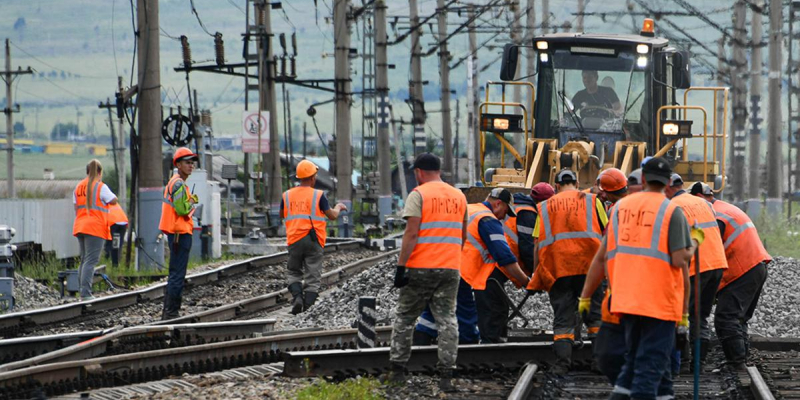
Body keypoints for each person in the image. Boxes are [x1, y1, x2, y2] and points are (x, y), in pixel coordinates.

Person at [605, 157, 701, 400]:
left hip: (626, 298)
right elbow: (680, 260)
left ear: (644, 179)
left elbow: (607, 252)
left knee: (632, 364)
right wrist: (695, 242)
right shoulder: (672, 211)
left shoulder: (621, 208)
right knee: (651, 366)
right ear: (668, 182)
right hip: (658, 302)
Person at [387, 153, 467, 392]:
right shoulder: (459, 196)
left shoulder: (418, 194)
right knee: (447, 320)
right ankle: (446, 375)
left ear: (419, 172)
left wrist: (401, 267)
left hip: (420, 267)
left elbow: (411, 233)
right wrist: (451, 259)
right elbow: (463, 236)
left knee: (405, 317)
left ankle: (398, 372)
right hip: (450, 268)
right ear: (438, 170)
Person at [528, 169, 607, 373]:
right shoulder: (592, 201)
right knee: (595, 315)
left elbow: (537, 245)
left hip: (559, 269)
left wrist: (538, 273)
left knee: (563, 317)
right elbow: (607, 233)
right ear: (577, 182)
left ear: (556, 186)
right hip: (590, 268)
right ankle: (599, 362)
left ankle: (563, 363)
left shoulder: (544, 207)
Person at [691, 182, 771, 371]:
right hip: (756, 266)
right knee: (738, 318)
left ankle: (737, 363)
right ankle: (740, 358)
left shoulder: (713, 216)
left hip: (744, 269)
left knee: (726, 317)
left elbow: (709, 255)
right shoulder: (724, 209)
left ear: (699, 198)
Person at [665, 175, 728, 372]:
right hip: (716, 264)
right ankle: (698, 364)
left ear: (667, 188)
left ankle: (683, 363)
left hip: (695, 267)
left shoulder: (672, 207)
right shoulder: (703, 203)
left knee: (681, 313)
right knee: (700, 316)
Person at [579, 168, 630, 384]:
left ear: (608, 191)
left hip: (621, 278)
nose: (600, 195)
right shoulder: (628, 206)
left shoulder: (616, 211)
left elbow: (606, 249)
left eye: (602, 191)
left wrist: (586, 294)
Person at [461, 188, 530, 344]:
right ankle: (488, 350)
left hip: (447, 267)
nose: (504, 217)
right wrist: (526, 281)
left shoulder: (470, 209)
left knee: (453, 316)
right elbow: (504, 257)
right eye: (506, 211)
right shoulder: (488, 219)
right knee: (491, 310)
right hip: (465, 274)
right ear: (498, 204)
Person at [282, 159, 347, 315]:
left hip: (294, 239)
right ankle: (309, 308)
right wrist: (338, 207)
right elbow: (331, 216)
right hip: (314, 239)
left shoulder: (287, 195)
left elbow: (282, 215)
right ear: (312, 178)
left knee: (293, 272)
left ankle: (297, 298)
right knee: (313, 275)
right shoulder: (319, 195)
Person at [158, 148, 199, 319]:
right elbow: (182, 209)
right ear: (178, 164)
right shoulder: (179, 184)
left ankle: (169, 311)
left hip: (177, 233)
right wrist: (192, 201)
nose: (191, 166)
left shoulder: (175, 182)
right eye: (187, 162)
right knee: (177, 274)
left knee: (176, 273)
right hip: (179, 233)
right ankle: (171, 312)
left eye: (192, 162)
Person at [73, 159, 118, 301]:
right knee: (91, 261)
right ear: (99, 172)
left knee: (84, 260)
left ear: (87, 171)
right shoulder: (100, 187)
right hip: (95, 227)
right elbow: (113, 200)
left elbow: (76, 207)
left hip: (80, 225)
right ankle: (85, 293)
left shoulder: (78, 187)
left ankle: (82, 290)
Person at [105, 203, 128, 268]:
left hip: (113, 222)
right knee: (118, 244)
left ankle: (109, 260)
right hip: (123, 222)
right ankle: (117, 262)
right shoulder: (115, 203)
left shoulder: (104, 204)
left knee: (110, 241)